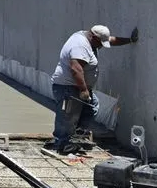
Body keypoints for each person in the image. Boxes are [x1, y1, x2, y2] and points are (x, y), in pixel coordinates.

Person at [49, 24, 139, 154]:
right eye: (100, 43)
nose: (102, 46)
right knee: (67, 116)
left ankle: (75, 134)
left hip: (77, 86)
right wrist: (83, 90)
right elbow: (76, 69)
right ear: (93, 37)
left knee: (91, 107)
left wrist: (129, 40)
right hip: (68, 87)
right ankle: (62, 144)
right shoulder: (80, 45)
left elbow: (111, 40)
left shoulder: (91, 39)